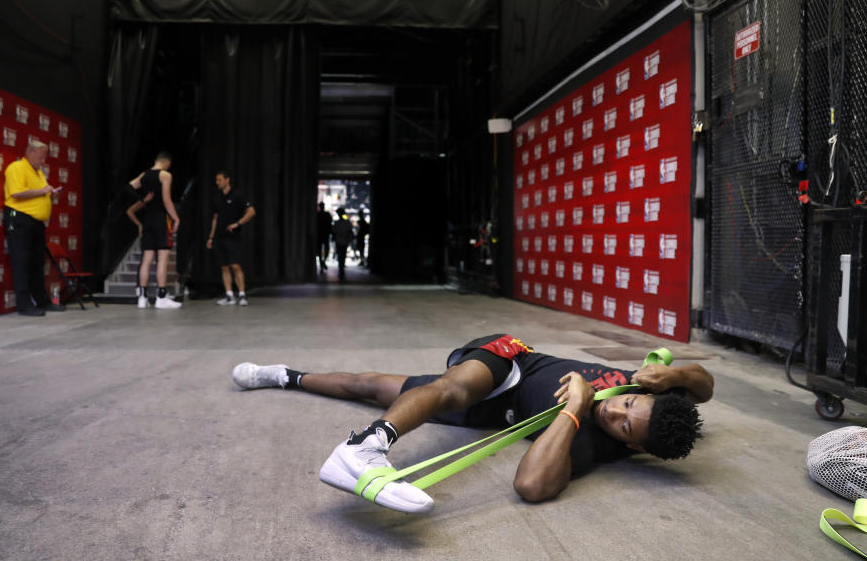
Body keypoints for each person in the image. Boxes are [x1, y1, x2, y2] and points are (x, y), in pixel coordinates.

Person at [232, 333, 713, 513]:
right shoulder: (649, 388)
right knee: (451, 388)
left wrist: (575, 410)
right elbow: (705, 384)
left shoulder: (593, 445)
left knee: (370, 385)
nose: (615, 411)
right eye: (628, 404)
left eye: (626, 426)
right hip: (512, 361)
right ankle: (364, 447)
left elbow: (531, 485)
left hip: (496, 413)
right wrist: (673, 373)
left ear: (637, 449)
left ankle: (282, 376)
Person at [3, 140, 65, 316]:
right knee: (22, 262)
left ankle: (42, 301)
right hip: (20, 219)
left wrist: (51, 195)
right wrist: (43, 191)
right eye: (40, 157)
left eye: (44, 157)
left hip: (36, 223)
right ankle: (24, 305)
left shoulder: (38, 173)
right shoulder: (16, 167)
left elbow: (41, 195)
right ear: (30, 153)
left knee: (37, 263)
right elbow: (16, 193)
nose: (43, 161)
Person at [128, 151, 181, 309]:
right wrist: (176, 218)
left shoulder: (144, 175)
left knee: (146, 259)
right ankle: (161, 297)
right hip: (160, 220)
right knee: (163, 259)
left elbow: (128, 187)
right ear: (166, 163)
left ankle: (142, 298)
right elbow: (166, 200)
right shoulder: (165, 175)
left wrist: (143, 200)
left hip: (147, 220)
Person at [206, 170, 256, 306]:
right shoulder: (216, 197)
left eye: (220, 180)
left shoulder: (237, 195)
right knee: (224, 267)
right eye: (216, 180)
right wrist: (211, 237)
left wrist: (238, 223)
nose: (217, 183)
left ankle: (242, 295)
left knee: (235, 265)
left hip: (233, 237)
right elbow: (215, 218)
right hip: (219, 237)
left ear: (227, 180)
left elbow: (251, 211)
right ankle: (229, 295)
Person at [331, 207, 353, 279]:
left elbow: (334, 232)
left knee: (341, 255)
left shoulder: (339, 223)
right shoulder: (344, 223)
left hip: (341, 240)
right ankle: (341, 267)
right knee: (342, 255)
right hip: (342, 240)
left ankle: (341, 267)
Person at [316, 202, 332, 271]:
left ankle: (322, 262)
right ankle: (322, 262)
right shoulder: (324, 214)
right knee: (322, 250)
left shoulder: (322, 214)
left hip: (322, 234)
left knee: (323, 250)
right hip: (323, 234)